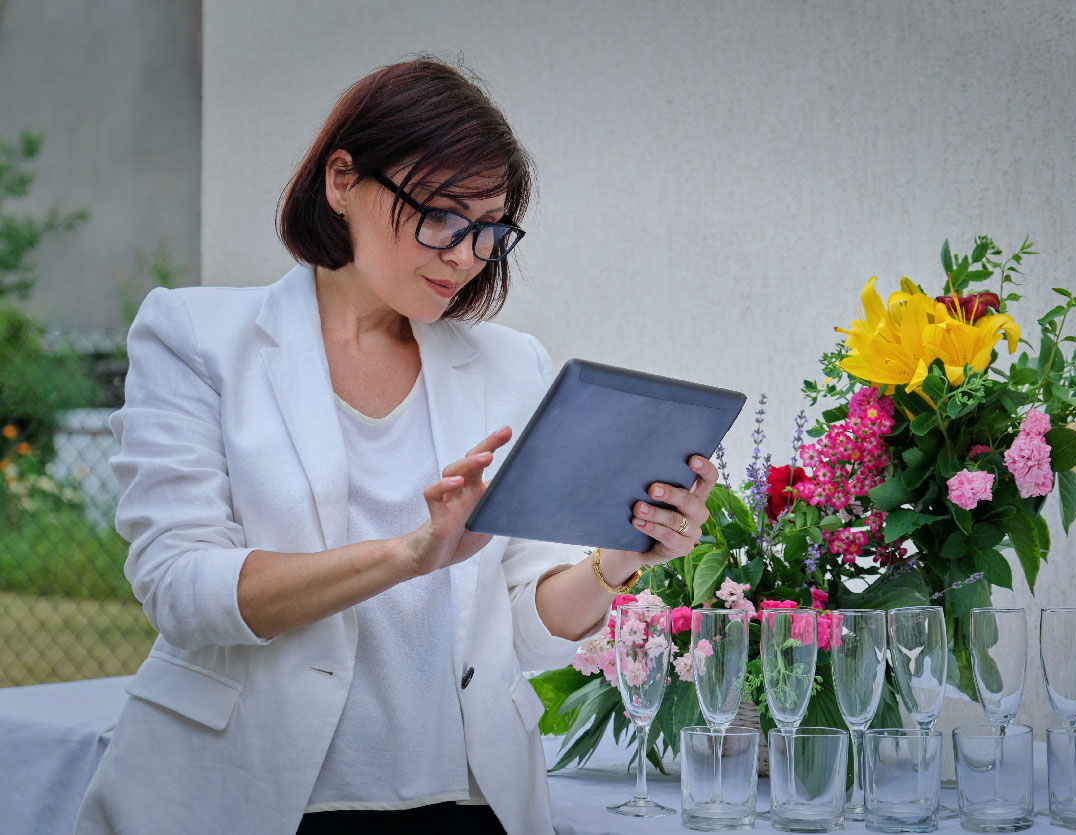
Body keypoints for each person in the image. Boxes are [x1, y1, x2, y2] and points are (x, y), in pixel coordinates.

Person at [74, 58, 715, 835]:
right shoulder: (197, 335)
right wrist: (409, 553)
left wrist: (616, 560)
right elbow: (181, 588)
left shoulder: (511, 364)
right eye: (444, 217)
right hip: (245, 796)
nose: (467, 255)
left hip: (469, 798)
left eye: (491, 232)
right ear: (342, 179)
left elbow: (521, 633)